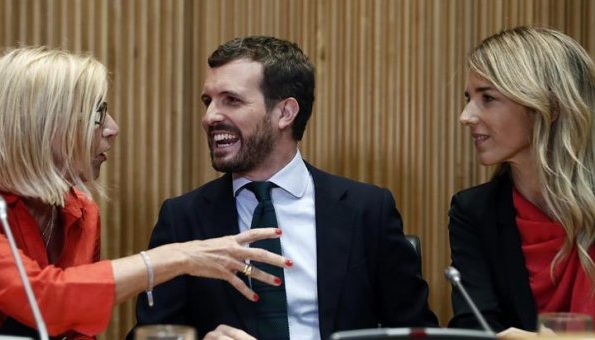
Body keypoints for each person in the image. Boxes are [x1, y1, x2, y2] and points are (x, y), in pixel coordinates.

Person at [0, 47, 291, 339]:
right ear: (44, 125)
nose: (113, 129)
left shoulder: (81, 212)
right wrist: (179, 257)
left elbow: (75, 329)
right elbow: (42, 298)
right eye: (97, 114)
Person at [130, 36, 437, 340]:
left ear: (285, 113)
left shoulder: (367, 210)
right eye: (208, 101)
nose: (209, 117)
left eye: (231, 100)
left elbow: (419, 333)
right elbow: (149, 334)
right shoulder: (182, 219)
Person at [447, 26, 595, 337]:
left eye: (487, 97)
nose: (465, 116)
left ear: (549, 106)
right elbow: (474, 324)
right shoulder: (473, 210)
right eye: (469, 98)